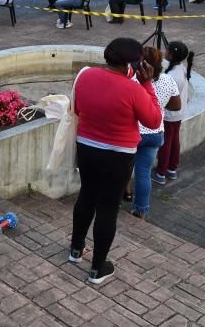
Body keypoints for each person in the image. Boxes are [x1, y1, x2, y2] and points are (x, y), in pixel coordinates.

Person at [70, 38, 161, 285]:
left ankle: (75, 251)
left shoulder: (86, 75)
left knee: (86, 195)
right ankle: (97, 269)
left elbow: (77, 108)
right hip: (118, 154)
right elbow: (154, 121)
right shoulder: (134, 90)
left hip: (86, 146)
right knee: (108, 207)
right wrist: (147, 85)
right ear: (133, 63)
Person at [129, 46, 175, 220]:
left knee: (122, 169)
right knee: (143, 173)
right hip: (155, 133)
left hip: (133, 133)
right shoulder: (168, 80)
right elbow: (176, 105)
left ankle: (118, 199)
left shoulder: (132, 81)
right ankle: (141, 210)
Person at [154, 42, 193, 184]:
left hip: (170, 115)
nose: (165, 52)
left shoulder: (171, 75)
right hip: (179, 114)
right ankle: (172, 169)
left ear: (171, 54)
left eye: (167, 50)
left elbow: (167, 97)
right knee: (174, 140)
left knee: (166, 143)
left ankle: (161, 173)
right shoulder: (181, 69)